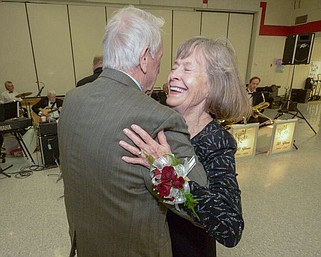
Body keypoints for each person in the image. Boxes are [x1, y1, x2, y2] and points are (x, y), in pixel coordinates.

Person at [58, 6, 209, 257]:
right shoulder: (159, 119)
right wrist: (165, 165)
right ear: (144, 58)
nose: (162, 72)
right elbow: (201, 208)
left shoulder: (72, 100)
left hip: (86, 245)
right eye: (160, 61)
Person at [120, 36, 251, 257]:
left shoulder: (216, 141)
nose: (173, 76)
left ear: (213, 84)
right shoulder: (157, 121)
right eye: (174, 67)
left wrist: (168, 173)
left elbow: (230, 227)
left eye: (187, 69)